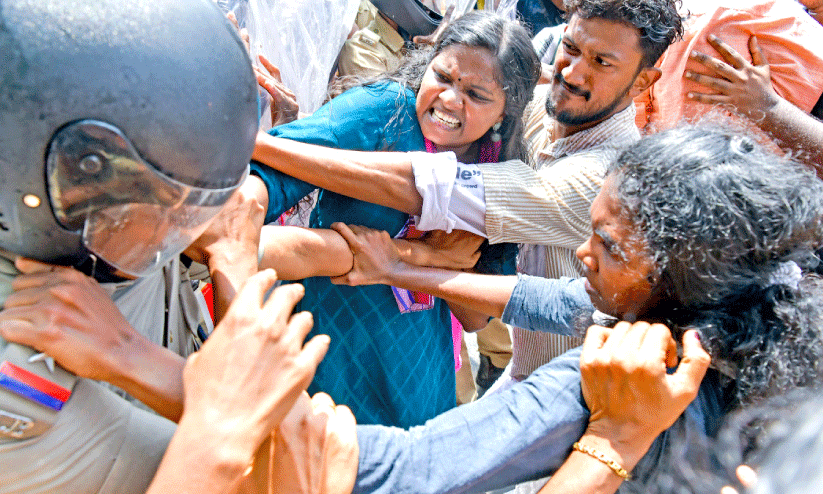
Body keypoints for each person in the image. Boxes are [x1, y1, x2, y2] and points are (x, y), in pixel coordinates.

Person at [322, 125, 823, 493]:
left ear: (680, 278)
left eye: (610, 246)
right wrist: (396, 271)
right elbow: (550, 301)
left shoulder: (618, 385)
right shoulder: (765, 332)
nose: (584, 253)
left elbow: (412, 469)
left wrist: (258, 417)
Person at [253, 0, 684, 422]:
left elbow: (435, 196)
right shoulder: (416, 112)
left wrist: (264, 144)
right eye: (571, 48)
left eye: (602, 62)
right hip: (347, 349)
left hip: (570, 404)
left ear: (644, 83)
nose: (572, 71)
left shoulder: (601, 176)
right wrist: (298, 136)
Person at [0, 0, 286, 491]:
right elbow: (286, 465)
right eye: (170, 208)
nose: (183, 230)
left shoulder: (101, 231)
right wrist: (233, 267)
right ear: (69, 176)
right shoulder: (24, 396)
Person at [250, 10, 541, 428]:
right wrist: (431, 253)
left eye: (476, 95)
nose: (449, 99)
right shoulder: (383, 112)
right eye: (442, 77)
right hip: (336, 335)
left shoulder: (495, 170)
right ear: (427, 64)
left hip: (418, 361)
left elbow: (476, 319)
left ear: (504, 115)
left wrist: (411, 262)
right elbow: (277, 167)